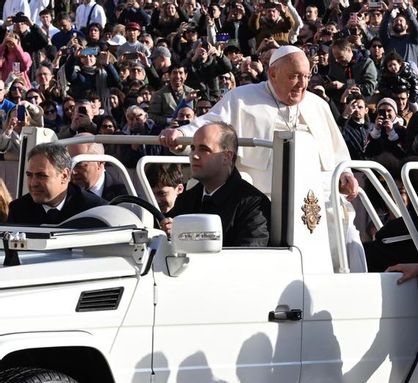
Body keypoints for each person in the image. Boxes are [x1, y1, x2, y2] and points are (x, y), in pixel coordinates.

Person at [159, 46, 356, 201]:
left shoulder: (318, 105)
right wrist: (181, 136)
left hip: (317, 199)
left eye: (306, 76)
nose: (302, 84)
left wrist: (345, 173)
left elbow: (337, 151)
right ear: (272, 74)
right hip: (264, 196)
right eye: (294, 76)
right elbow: (210, 125)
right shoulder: (242, 98)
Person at [161, 122, 270, 248]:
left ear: (227, 156)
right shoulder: (187, 199)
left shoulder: (254, 205)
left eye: (204, 149)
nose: (194, 156)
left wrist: (189, 235)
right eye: (192, 148)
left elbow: (249, 258)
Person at [7, 143, 107, 225]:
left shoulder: (93, 210)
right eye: (29, 175)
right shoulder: (18, 210)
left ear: (64, 175)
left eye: (41, 175)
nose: (33, 183)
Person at [67, 136, 127, 201]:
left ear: (100, 162)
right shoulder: (62, 194)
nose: (72, 171)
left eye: (78, 164)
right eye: (68, 164)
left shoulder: (125, 197)